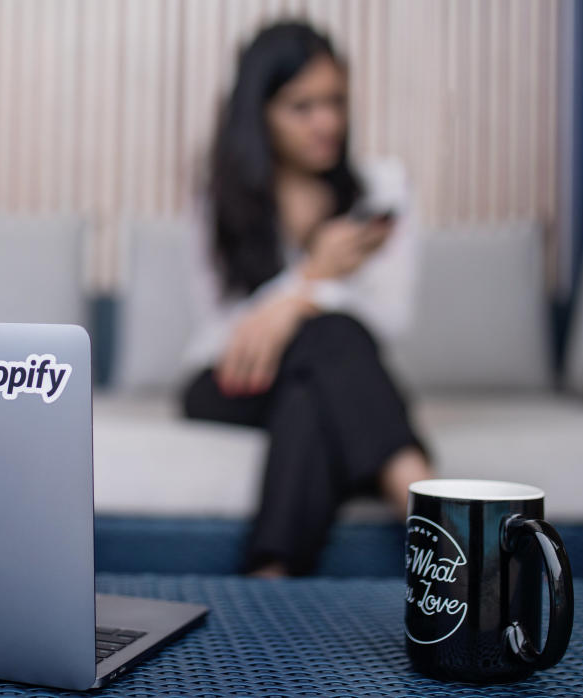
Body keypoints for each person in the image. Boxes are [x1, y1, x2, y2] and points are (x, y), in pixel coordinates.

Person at [177, 21, 433, 578]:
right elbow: (225, 335)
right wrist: (311, 278)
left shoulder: (380, 190)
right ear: (260, 113)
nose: (328, 122)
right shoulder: (221, 197)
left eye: (336, 102)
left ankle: (271, 574)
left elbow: (386, 321)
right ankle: (437, 515)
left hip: (326, 373)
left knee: (312, 390)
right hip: (227, 380)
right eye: (302, 106)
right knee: (326, 338)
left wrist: (297, 304)